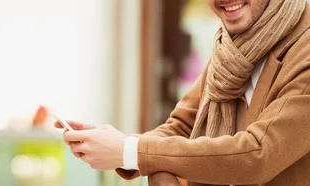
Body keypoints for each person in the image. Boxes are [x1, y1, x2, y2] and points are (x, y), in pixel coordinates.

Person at [55, 0, 310, 185]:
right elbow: (178, 129)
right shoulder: (230, 50)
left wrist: (130, 151)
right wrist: (107, 143)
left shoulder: (304, 49)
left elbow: (258, 154)